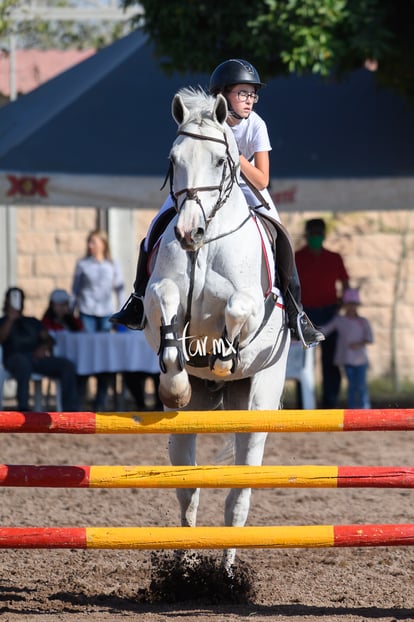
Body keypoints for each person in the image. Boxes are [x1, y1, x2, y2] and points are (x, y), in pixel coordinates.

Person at [110, 59, 324, 349]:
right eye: (243, 93)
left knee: (282, 236)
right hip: (203, 189)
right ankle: (137, 299)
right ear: (223, 94)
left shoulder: (256, 125)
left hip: (245, 189)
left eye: (253, 94)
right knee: (153, 230)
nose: (249, 100)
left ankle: (296, 313)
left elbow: (262, 180)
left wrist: (236, 157)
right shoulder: (202, 119)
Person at [295, 218, 350, 408]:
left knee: (331, 361)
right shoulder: (297, 258)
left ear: (324, 235)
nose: (315, 237)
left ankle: (330, 404)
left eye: (319, 233)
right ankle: (304, 405)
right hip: (305, 315)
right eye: (312, 234)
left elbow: (345, 283)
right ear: (307, 235)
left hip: (329, 313)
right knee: (302, 363)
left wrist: (342, 304)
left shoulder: (334, 258)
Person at [0, 286, 79, 411]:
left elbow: (50, 340)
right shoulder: (3, 322)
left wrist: (44, 347)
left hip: (36, 358)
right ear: (7, 301)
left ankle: (71, 410)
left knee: (67, 366)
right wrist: (10, 319)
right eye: (13, 299)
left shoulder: (32, 322)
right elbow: (1, 338)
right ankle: (23, 409)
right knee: (23, 363)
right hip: (14, 359)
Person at [72, 229, 125, 410]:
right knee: (87, 356)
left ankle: (100, 401)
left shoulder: (112, 265)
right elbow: (76, 290)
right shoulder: (83, 264)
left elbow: (119, 290)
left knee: (103, 359)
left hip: (106, 314)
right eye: (89, 242)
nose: (90, 246)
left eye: (93, 242)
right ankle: (81, 399)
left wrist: (122, 313)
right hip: (87, 312)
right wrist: (71, 313)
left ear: (103, 244)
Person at [319, 288, 373, 408]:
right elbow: (326, 330)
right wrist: (310, 332)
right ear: (345, 305)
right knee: (352, 386)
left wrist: (359, 344)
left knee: (361, 386)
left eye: (353, 305)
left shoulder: (363, 322)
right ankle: (353, 410)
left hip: (361, 360)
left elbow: (369, 338)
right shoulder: (339, 320)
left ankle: (365, 409)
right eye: (349, 304)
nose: (351, 308)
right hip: (347, 360)